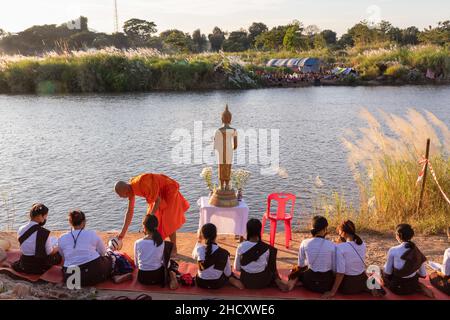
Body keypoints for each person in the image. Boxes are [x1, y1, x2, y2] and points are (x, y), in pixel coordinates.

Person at [115, 173, 190, 255]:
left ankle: (174, 249)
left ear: (126, 192)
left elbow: (158, 201)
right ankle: (157, 246)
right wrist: (122, 235)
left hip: (168, 191)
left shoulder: (142, 183)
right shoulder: (131, 190)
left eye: (122, 196)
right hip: (156, 196)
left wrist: (149, 218)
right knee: (150, 222)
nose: (123, 198)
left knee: (168, 220)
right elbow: (130, 212)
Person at [59, 210, 131, 287]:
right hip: (94, 274)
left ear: (70, 223)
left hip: (71, 279)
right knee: (111, 257)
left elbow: (63, 257)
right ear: (83, 222)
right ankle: (115, 275)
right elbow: (103, 253)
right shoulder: (91, 234)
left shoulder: (62, 238)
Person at [322, 220, 375, 298]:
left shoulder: (340, 247)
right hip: (361, 282)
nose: (339, 234)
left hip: (348, 287)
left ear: (343, 233)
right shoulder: (363, 244)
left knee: (331, 272)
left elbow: (340, 273)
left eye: (339, 232)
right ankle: (372, 287)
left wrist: (332, 292)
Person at [234, 219, 287, 291]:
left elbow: (237, 268)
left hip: (246, 281)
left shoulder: (240, 246)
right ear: (260, 230)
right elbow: (271, 267)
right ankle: (276, 279)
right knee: (271, 267)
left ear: (247, 231)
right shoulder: (266, 248)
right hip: (263, 282)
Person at [383, 224, 434, 298]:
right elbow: (423, 274)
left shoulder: (393, 250)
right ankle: (419, 286)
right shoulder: (416, 250)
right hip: (413, 286)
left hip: (397, 288)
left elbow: (388, 272)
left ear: (398, 235)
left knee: (382, 271)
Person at [287, 216, 335, 293]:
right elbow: (334, 267)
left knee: (296, 269)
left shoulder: (305, 242)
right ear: (325, 229)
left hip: (309, 283)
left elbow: (301, 265)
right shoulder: (332, 245)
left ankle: (294, 282)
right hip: (326, 285)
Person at [12, 203, 61, 274]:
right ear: (40, 216)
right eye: (45, 216)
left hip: (25, 264)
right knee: (57, 253)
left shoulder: (20, 229)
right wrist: (58, 247)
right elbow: (49, 252)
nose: (45, 219)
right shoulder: (43, 233)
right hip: (39, 266)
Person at [193, 223, 243, 290]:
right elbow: (227, 273)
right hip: (216, 284)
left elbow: (193, 256)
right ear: (216, 235)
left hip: (201, 283)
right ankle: (233, 281)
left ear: (202, 236)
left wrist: (199, 240)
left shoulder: (199, 249)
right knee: (226, 273)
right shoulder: (224, 253)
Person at [134, 215, 178, 289]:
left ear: (144, 227)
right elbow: (165, 264)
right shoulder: (161, 243)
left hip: (142, 278)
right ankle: (172, 276)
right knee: (171, 264)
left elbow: (136, 264)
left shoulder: (138, 243)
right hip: (157, 278)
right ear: (156, 227)